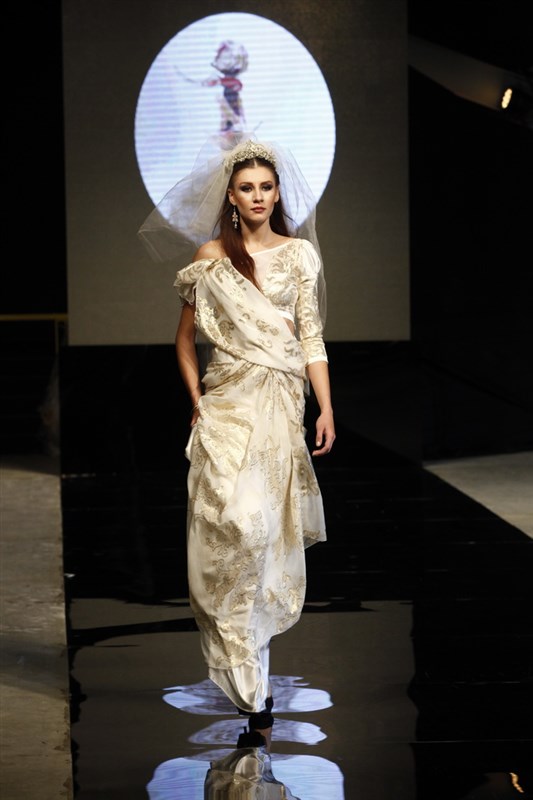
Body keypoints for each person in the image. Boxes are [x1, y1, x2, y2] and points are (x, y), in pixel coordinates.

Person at [138, 135, 335, 749]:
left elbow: (310, 337)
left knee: (265, 543)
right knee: (236, 527)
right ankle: (247, 674)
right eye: (247, 187)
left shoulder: (298, 255)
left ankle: (257, 684)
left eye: (266, 187)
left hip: (279, 410)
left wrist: (326, 406)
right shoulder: (210, 258)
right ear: (230, 195)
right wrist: (196, 400)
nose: (257, 196)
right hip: (226, 407)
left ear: (277, 193)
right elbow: (184, 341)